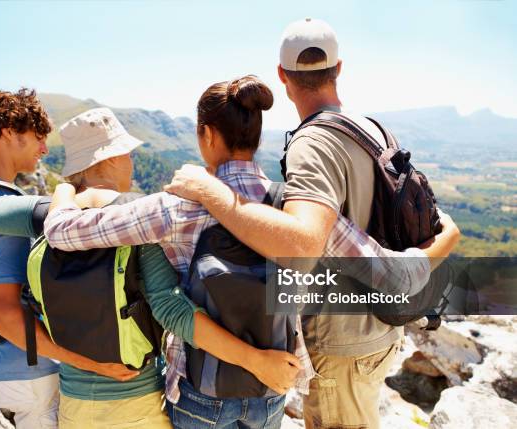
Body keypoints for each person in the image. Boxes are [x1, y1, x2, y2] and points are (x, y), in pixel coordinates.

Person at [44, 75, 458, 428]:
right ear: (257, 137)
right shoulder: (300, 213)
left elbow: (63, 233)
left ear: (206, 135)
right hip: (272, 389)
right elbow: (395, 276)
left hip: (202, 393)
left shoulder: (177, 206)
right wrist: (442, 237)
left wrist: (63, 191)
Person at [162, 20, 462, 429]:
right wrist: (443, 244)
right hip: (377, 330)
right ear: (339, 68)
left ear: (282, 76)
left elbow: (302, 243)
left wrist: (210, 192)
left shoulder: (313, 143)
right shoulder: (370, 128)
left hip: (340, 342)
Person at [0, 106, 301, 429]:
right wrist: (255, 360)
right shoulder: (137, 217)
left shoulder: (47, 214)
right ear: (106, 160)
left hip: (76, 407)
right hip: (138, 402)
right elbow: (169, 309)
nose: (131, 162)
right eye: (126, 154)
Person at [0, 89, 139, 429]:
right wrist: (89, 364)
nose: (44, 149)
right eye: (38, 137)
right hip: (29, 375)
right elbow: (3, 314)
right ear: (9, 132)